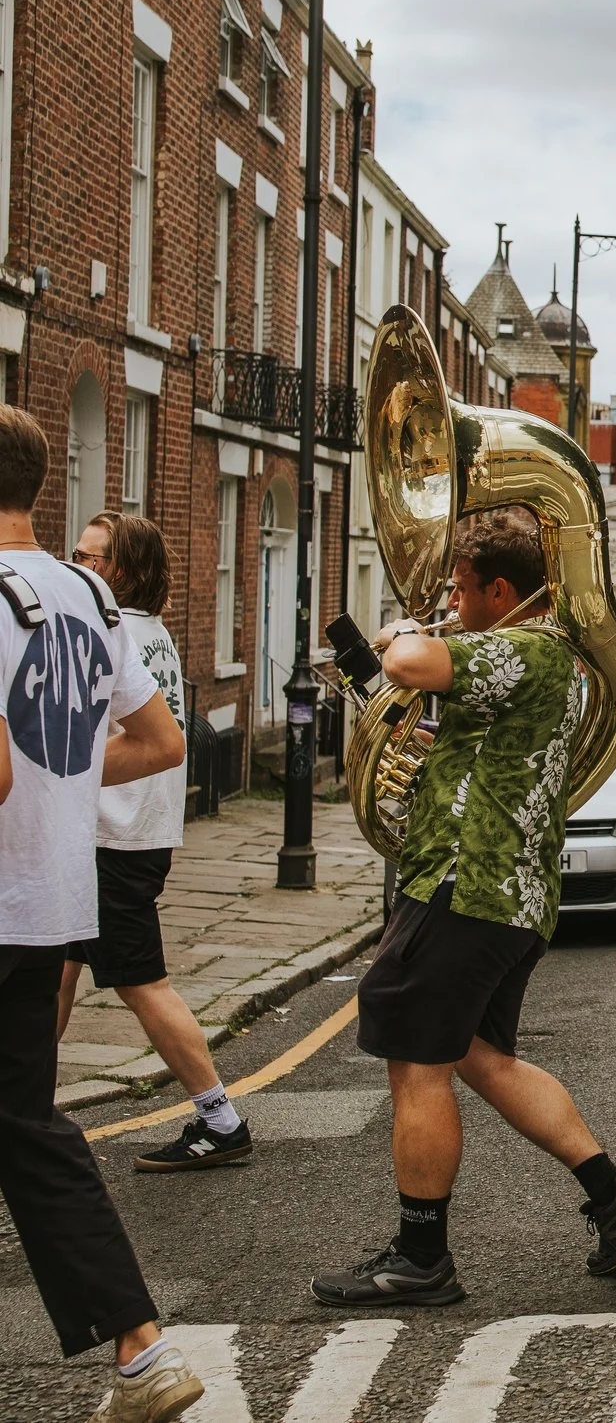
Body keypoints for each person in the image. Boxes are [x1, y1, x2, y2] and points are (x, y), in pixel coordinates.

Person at [312, 506, 616, 1308]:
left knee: (417, 1061)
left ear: (501, 590)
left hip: (465, 887)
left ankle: (421, 1256)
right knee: (480, 1055)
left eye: (461, 589)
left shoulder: (524, 648)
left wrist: (406, 632)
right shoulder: (548, 659)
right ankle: (614, 1194)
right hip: (506, 893)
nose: (452, 601)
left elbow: (413, 664)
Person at [0, 407, 206, 1421]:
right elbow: (160, 737)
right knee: (28, 1130)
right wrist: (69, 791)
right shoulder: (82, 591)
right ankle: (143, 1353)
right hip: (48, 901)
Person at [54, 513, 252, 1172]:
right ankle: (24, 1101)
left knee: (142, 981)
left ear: (122, 569)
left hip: (117, 838)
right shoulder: (149, 632)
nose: (76, 566)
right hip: (126, 833)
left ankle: (219, 1116)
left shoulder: (106, 632)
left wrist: (62, 774)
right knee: (56, 973)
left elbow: (114, 738)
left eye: (90, 557)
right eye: (74, 554)